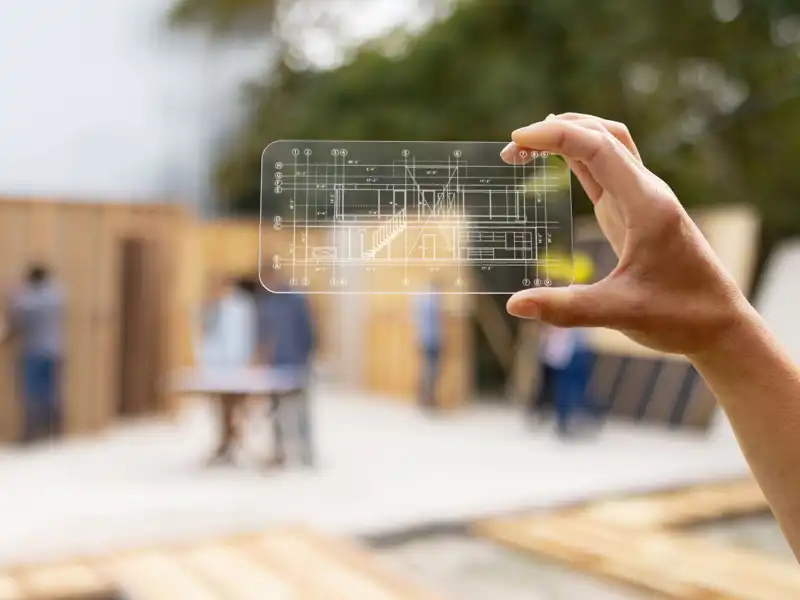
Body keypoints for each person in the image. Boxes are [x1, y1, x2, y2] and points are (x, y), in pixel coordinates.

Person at [502, 113, 800, 559]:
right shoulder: (568, 265)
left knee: (572, 389)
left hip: (572, 347)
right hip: (565, 347)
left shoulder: (572, 267)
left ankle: (574, 423)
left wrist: (721, 333)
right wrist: (723, 335)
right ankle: (570, 422)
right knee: (567, 390)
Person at [256, 269, 316, 468]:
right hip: (278, 366)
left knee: (300, 411)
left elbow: (307, 333)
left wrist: (305, 358)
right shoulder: (269, 303)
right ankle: (281, 452)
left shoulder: (294, 301)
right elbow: (264, 336)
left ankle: (305, 453)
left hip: (296, 365)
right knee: (277, 412)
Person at [199, 274, 257, 465]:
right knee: (220, 407)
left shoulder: (244, 306)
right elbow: (206, 335)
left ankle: (235, 443)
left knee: (239, 407)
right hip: (217, 366)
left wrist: (250, 361)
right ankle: (226, 443)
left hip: (239, 364)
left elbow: (249, 335)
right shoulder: (211, 307)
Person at [5, 264, 64, 442]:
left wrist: (13, 292)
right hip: (54, 350)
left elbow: (18, 311)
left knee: (31, 393)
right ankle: (53, 431)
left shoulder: (31, 300)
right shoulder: (57, 295)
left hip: (34, 351)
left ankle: (32, 434)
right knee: (51, 392)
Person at [414, 279, 443, 411]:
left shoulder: (422, 302)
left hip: (424, 340)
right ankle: (428, 399)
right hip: (432, 341)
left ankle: (425, 399)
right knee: (431, 371)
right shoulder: (432, 304)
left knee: (426, 370)